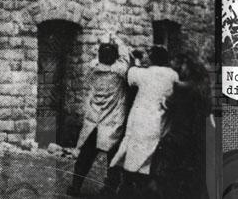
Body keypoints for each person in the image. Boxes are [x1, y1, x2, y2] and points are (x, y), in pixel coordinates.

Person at [110, 45, 179, 198]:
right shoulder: (173, 75)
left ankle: (128, 189)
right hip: (159, 122)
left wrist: (134, 59)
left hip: (141, 122)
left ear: (153, 58)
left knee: (133, 158)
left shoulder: (144, 73)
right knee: (149, 160)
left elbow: (130, 74)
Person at [66, 40, 130, 197]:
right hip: (112, 121)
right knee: (113, 158)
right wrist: (117, 40)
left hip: (94, 120)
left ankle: (75, 186)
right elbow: (126, 58)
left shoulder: (93, 68)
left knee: (85, 156)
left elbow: (95, 60)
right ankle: (110, 190)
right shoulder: (120, 71)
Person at [148, 54, 212, 199]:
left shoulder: (183, 88)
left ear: (189, 69)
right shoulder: (204, 89)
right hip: (198, 138)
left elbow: (169, 103)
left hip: (179, 135)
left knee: (167, 174)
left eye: (183, 65)